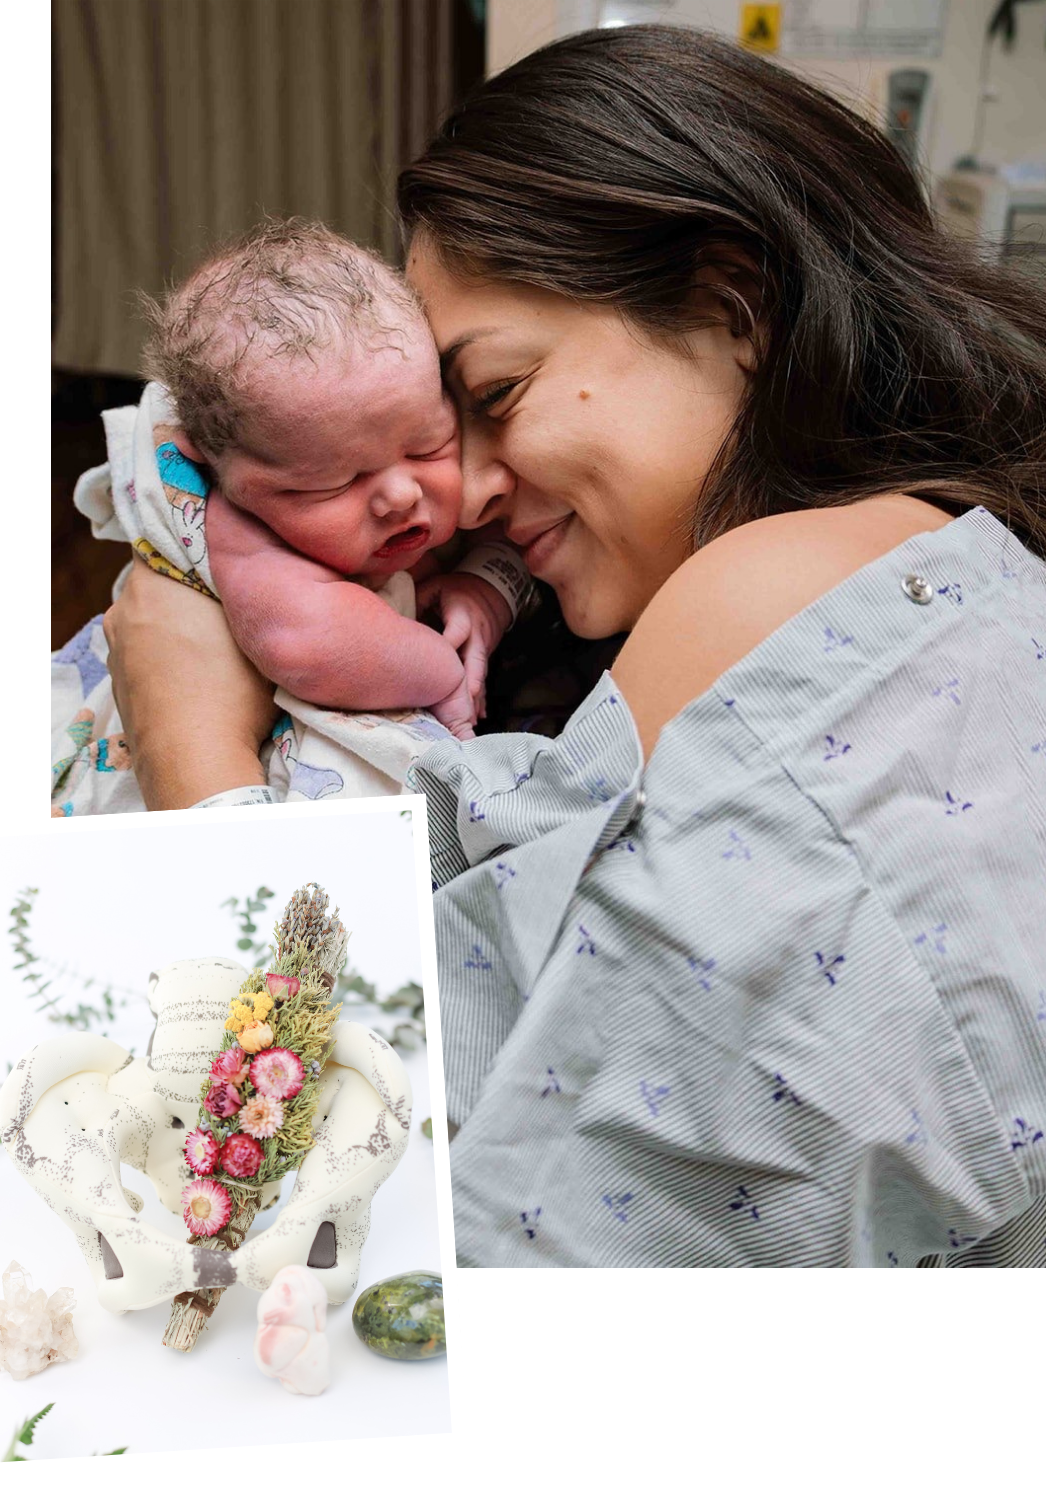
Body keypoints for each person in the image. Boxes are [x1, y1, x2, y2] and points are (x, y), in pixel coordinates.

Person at [104, 25, 1045, 1268]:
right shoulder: (956, 578)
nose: (466, 491)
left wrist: (197, 770)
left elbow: (459, 1318)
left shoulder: (780, 593)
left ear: (731, 304)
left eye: (492, 398)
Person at [53, 221, 531, 815]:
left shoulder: (404, 442)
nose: (402, 495)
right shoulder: (236, 525)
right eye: (333, 483)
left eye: (427, 445)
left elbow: (506, 535)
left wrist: (484, 588)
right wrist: (441, 673)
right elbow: (303, 644)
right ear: (216, 465)